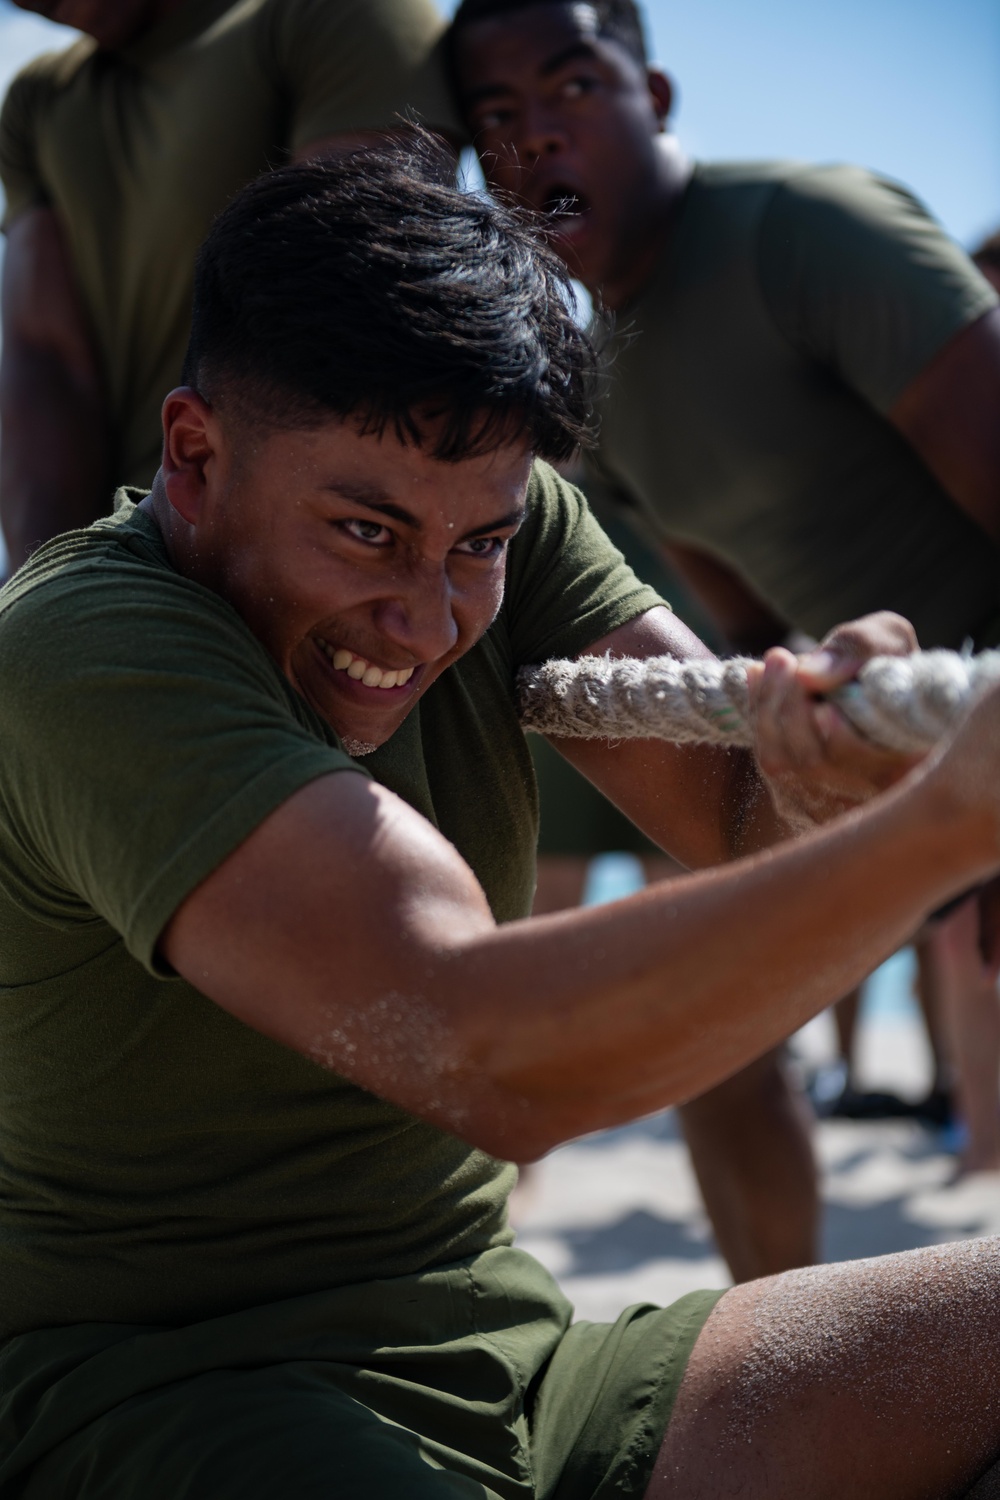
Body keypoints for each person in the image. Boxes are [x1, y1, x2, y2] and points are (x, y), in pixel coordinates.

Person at [4, 142, 1000, 1500]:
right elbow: (486, 1056)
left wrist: (835, 781)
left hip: (507, 1351)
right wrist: (936, 831)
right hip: (161, 1389)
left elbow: (732, 816)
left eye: (476, 543)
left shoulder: (505, 521)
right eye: (364, 533)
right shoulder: (84, 650)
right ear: (194, 454)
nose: (426, 621)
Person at [447, 0, 1000, 1238]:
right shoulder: (599, 380)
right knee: (711, 1025)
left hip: (978, 714)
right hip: (898, 748)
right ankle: (790, 1359)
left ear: (657, 94)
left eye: (572, 88)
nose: (534, 139)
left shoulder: (809, 232)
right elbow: (753, 636)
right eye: (495, 117)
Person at [0, 0, 460, 569]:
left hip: (308, 557)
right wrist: (44, 586)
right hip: (126, 564)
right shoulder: (38, 100)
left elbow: (356, 314)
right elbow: (46, 358)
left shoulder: (342, 15)